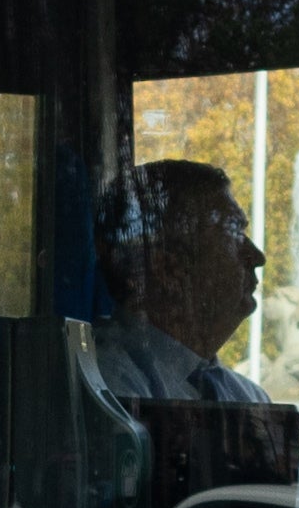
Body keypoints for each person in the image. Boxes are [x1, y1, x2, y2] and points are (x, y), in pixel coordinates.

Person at [91, 158, 270, 408]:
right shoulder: (106, 388)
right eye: (234, 233)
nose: (257, 257)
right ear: (167, 268)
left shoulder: (249, 398)